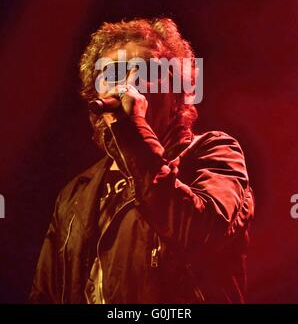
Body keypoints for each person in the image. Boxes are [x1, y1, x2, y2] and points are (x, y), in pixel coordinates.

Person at [30, 17, 254, 304]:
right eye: (112, 74)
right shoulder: (76, 193)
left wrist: (134, 134)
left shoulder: (213, 152)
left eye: (146, 70)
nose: (129, 83)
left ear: (178, 95)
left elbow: (199, 233)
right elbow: (44, 295)